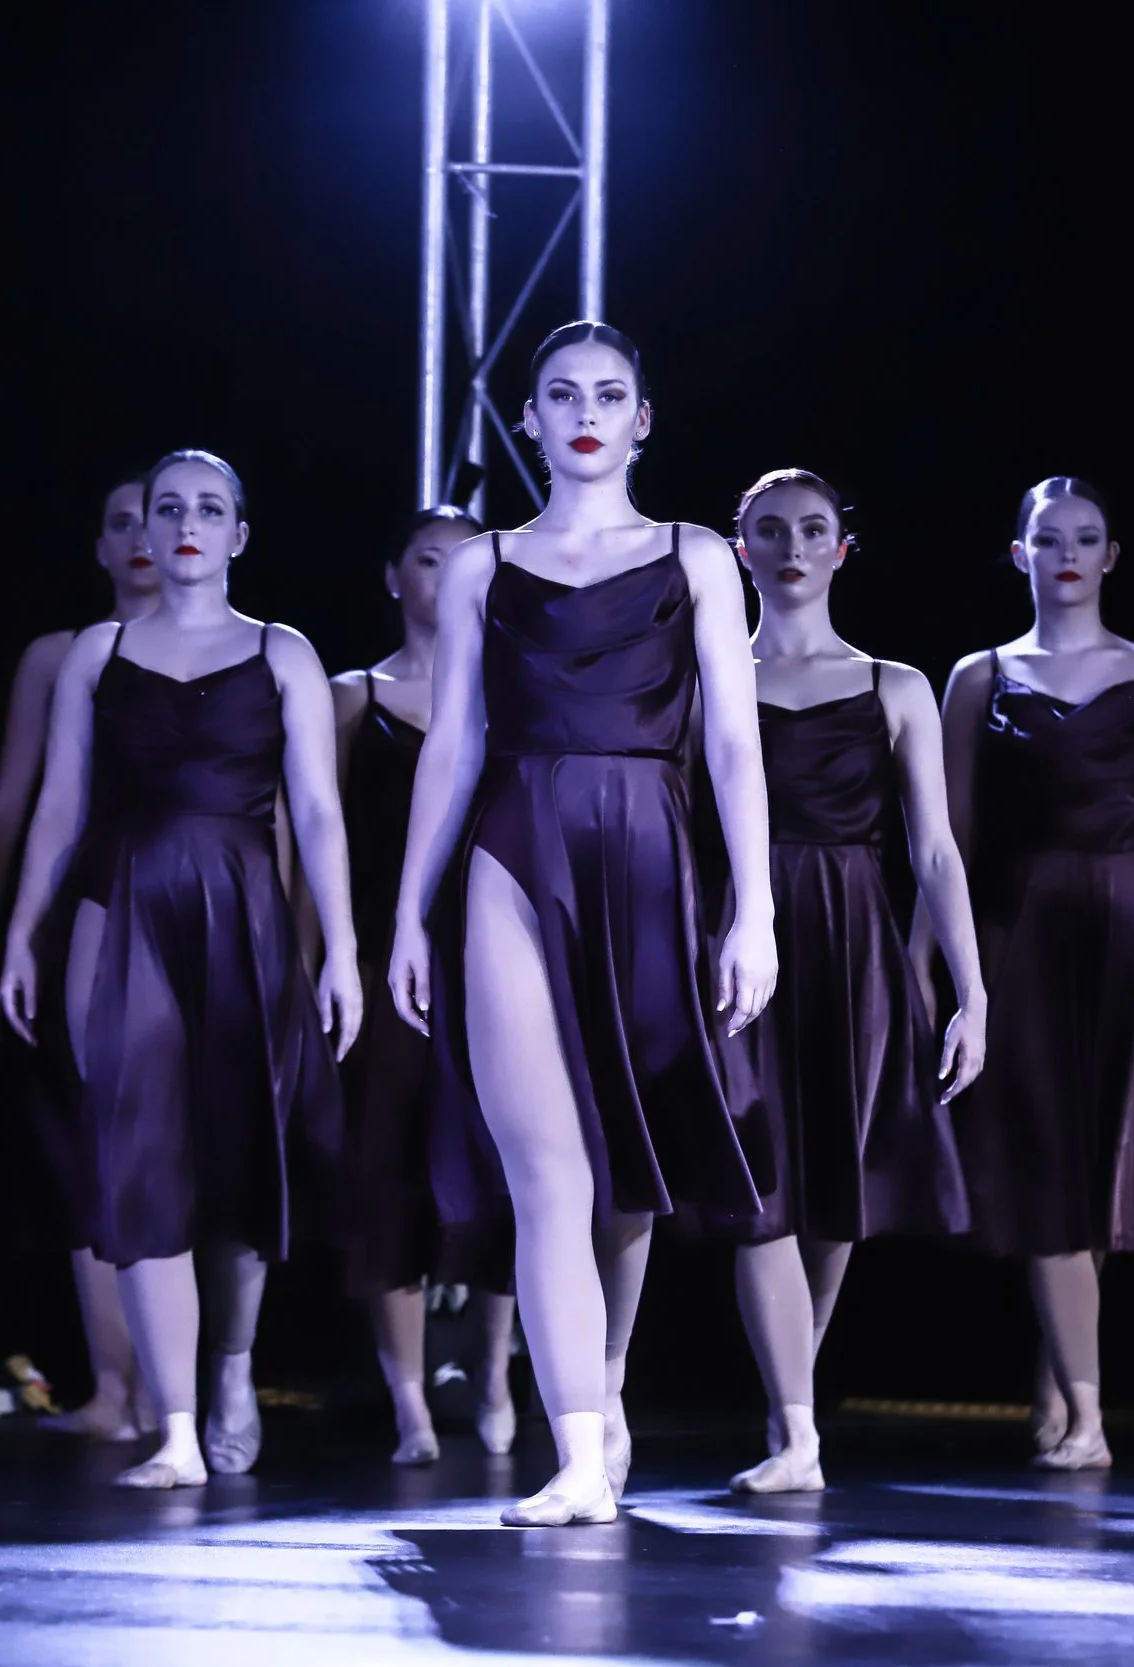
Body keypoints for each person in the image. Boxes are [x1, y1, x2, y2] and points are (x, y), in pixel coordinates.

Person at [389, 321, 777, 1527]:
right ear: (530, 419)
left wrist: (753, 902)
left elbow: (730, 738)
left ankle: (599, 1399)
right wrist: (407, 909)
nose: (585, 412)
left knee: (626, 1179)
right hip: (515, 845)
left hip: (651, 850)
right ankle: (574, 1453)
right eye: (560, 394)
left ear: (643, 417)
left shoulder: (696, 555)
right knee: (547, 1173)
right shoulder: (481, 564)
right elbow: (450, 741)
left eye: (609, 393)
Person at [0, 449, 361, 1491]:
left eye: (210, 509)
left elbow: (319, 813)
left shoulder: (281, 651)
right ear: (142, 534)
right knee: (135, 1152)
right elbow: (59, 806)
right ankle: (174, 1426)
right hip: (121, 914)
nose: (189, 523)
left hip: (242, 914)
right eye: (169, 508)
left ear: (239, 534)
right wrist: (25, 932)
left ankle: (235, 1366)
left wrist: (338, 948)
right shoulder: (95, 652)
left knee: (240, 1161)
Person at [932, 476, 1134, 1472]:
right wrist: (941, 963)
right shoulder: (977, 676)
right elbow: (952, 841)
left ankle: (1060, 1386)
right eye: (1046, 537)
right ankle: (1089, 1417)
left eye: (1087, 537)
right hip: (1021, 928)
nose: (1067, 552)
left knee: (1099, 1164)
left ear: (1112, 555)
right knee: (1046, 1162)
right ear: (1017, 554)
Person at [720, 468, 985, 1494]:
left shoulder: (895, 684)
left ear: (843, 546)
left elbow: (936, 852)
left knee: (833, 1187)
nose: (792, 545)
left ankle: (793, 1405)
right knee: (761, 1187)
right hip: (745, 937)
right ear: (739, 547)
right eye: (769, 529)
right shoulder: (709, 675)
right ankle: (796, 1432)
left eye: (813, 528)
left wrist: (971, 989)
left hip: (852, 941)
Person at [0, 471, 170, 1441]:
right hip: (75, 903)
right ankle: (114, 1387)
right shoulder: (61, 655)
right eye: (121, 522)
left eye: (158, 517)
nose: (142, 536)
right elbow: (17, 797)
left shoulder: (236, 648)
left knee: (184, 1142)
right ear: (97, 546)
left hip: (185, 904)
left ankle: (188, 1388)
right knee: (94, 1144)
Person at [329, 506, 517, 1466]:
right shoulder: (353, 696)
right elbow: (309, 837)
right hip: (382, 957)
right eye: (429, 561)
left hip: (493, 956)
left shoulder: (514, 695)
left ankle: (492, 1369)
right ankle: (406, 1402)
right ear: (395, 576)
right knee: (386, 1167)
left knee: (501, 1163)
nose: (446, 578)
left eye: (465, 561)